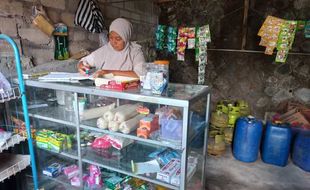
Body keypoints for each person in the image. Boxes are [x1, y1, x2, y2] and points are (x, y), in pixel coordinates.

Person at [77, 18, 145, 78]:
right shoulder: (106, 50)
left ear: (126, 38)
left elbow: (140, 74)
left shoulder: (135, 52)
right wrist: (81, 65)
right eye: (111, 38)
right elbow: (85, 61)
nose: (113, 42)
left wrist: (110, 72)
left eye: (118, 39)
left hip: (126, 91)